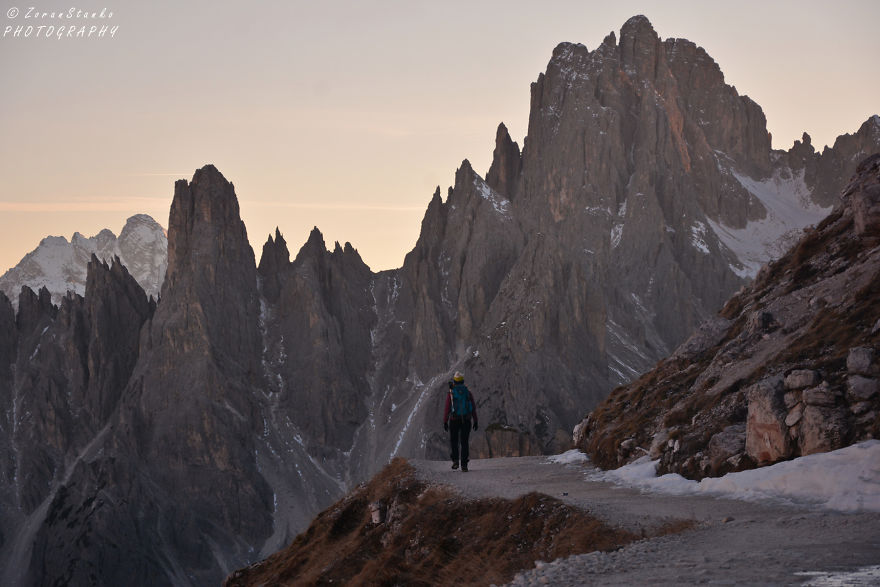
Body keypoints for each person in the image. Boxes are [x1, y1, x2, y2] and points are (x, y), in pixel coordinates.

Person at [443, 371, 478, 472]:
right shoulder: (468, 392)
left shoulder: (451, 393)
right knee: (464, 442)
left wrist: (445, 421)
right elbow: (473, 408)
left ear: (454, 381)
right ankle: (464, 465)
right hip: (466, 420)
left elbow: (447, 408)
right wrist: (475, 420)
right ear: (462, 381)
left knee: (454, 441)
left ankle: (455, 461)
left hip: (454, 420)